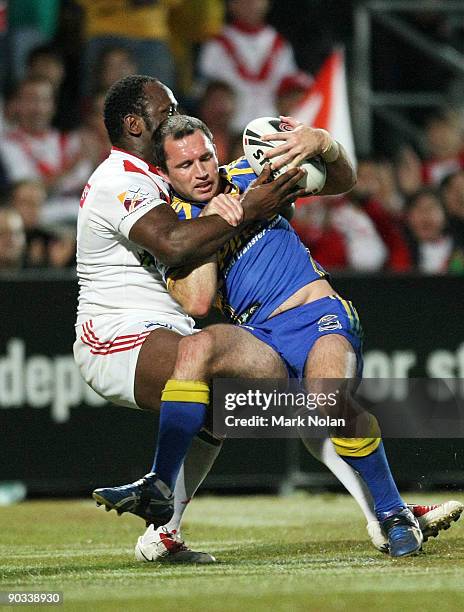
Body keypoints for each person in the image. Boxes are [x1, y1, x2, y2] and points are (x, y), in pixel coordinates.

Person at [94, 115, 463, 559]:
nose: (203, 170)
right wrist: (218, 223)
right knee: (195, 345)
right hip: (259, 339)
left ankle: (392, 514)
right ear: (166, 174)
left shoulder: (249, 172)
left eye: (206, 156)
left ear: (217, 150)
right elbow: (196, 302)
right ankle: (159, 484)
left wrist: (323, 143)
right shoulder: (176, 230)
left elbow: (343, 180)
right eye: (186, 164)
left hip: (318, 314)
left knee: (328, 402)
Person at [73, 74, 305, 563]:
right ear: (134, 123)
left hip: (169, 330)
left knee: (235, 406)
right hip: (116, 337)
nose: (176, 115)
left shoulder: (163, 177)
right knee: (236, 378)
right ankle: (385, 501)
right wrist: (244, 209)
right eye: (167, 108)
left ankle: (163, 531)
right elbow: (174, 243)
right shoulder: (121, 180)